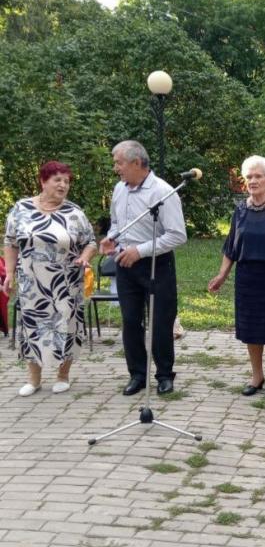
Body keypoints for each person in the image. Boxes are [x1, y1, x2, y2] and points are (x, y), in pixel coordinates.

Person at [208, 156, 265, 398]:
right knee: (251, 329)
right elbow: (231, 247)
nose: (253, 181)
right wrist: (221, 276)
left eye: (258, 176)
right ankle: (257, 375)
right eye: (249, 177)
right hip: (247, 278)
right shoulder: (240, 210)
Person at [99, 140, 187, 396]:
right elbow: (117, 223)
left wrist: (140, 251)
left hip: (156, 264)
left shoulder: (163, 191)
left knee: (160, 322)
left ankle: (164, 375)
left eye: (119, 163)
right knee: (130, 321)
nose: (116, 168)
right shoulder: (119, 189)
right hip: (125, 264)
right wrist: (112, 237)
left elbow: (177, 235)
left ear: (137, 163)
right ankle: (137, 374)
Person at [3, 161, 96, 396]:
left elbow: (91, 242)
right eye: (58, 180)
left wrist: (85, 258)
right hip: (32, 282)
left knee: (66, 326)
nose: (63, 185)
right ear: (43, 182)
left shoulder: (74, 212)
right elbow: (11, 242)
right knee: (32, 327)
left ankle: (63, 375)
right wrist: (11, 273)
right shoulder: (21, 208)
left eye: (66, 181)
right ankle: (33, 380)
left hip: (66, 281)